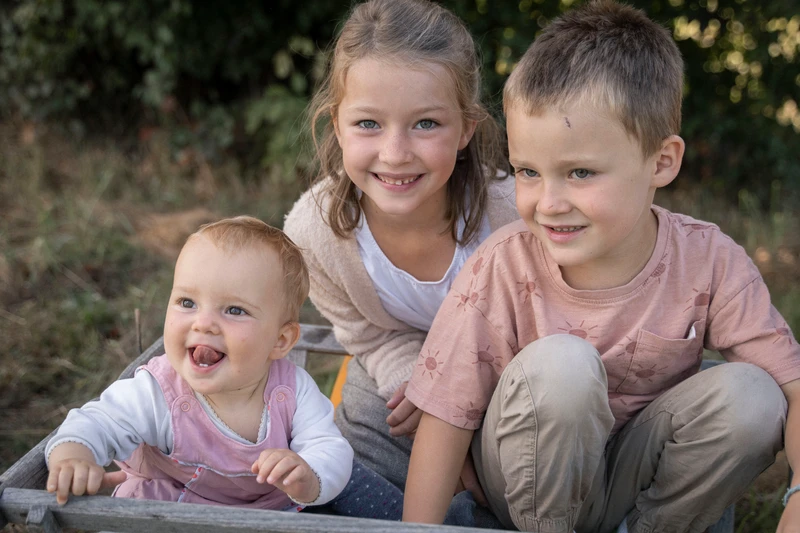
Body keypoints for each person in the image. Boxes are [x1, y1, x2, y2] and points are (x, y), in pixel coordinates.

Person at [403, 2, 800, 532]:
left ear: (662, 162)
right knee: (563, 366)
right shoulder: (506, 262)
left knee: (753, 395)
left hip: (640, 480)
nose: (549, 202)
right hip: (527, 486)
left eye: (581, 172)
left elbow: (793, 386)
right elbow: (446, 417)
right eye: (527, 171)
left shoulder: (706, 259)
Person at [283, 0, 518, 500]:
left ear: (466, 128)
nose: (395, 153)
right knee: (365, 410)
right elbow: (368, 336)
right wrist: (419, 385)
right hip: (411, 378)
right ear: (337, 124)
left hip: (508, 386)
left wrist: (455, 406)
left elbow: (551, 327)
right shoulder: (315, 233)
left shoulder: (513, 217)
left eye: (426, 124)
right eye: (368, 124)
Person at [45, 216, 354, 510]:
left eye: (234, 310)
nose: (203, 323)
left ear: (280, 340)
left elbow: (330, 448)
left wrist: (308, 474)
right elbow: (99, 421)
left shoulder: (293, 391)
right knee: (134, 504)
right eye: (187, 303)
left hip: (262, 516)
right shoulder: (160, 391)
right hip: (165, 510)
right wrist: (74, 454)